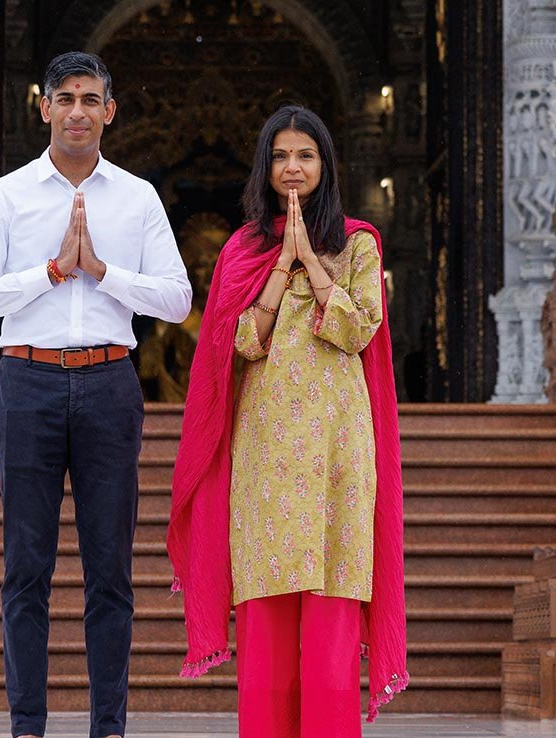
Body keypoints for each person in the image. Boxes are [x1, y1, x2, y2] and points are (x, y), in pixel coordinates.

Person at [0, 51, 192, 738]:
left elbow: (178, 300)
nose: (79, 111)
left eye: (91, 99)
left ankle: (108, 726)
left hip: (110, 382)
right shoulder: (6, 196)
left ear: (110, 110)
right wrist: (52, 271)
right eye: (66, 98)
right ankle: (28, 723)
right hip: (26, 381)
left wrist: (104, 273)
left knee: (109, 571)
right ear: (44, 107)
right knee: (26, 566)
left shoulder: (138, 197)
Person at [168, 105, 408, 737]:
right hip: (265, 448)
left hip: (337, 445)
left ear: (325, 165)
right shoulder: (243, 250)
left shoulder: (358, 242)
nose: (292, 167)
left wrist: (315, 262)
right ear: (265, 167)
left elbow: (358, 330)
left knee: (331, 624)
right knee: (267, 623)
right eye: (280, 156)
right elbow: (237, 344)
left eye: (305, 155)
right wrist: (281, 265)